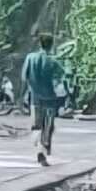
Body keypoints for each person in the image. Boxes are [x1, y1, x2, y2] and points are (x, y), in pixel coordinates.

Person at [22, 34, 70, 165]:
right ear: (51, 45)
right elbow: (63, 76)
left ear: (40, 43)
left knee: (36, 126)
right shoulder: (52, 61)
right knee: (48, 127)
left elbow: (24, 77)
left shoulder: (30, 58)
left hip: (35, 99)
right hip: (49, 99)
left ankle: (37, 149)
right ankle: (42, 151)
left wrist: (23, 96)